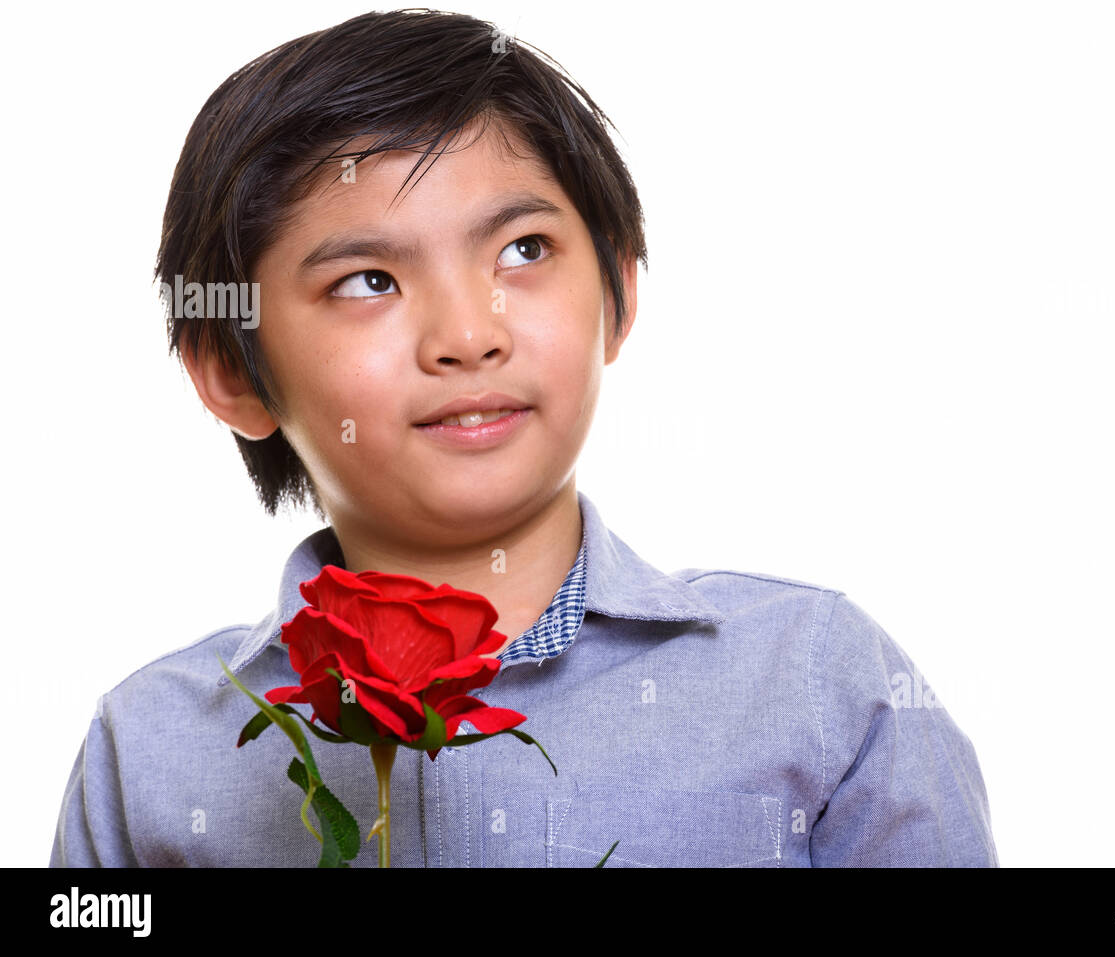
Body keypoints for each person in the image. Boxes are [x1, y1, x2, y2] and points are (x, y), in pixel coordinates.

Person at [50, 9, 997, 867]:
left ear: (618, 292)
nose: (470, 334)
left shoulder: (818, 680)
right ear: (229, 368)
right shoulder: (148, 753)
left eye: (523, 251)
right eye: (368, 280)